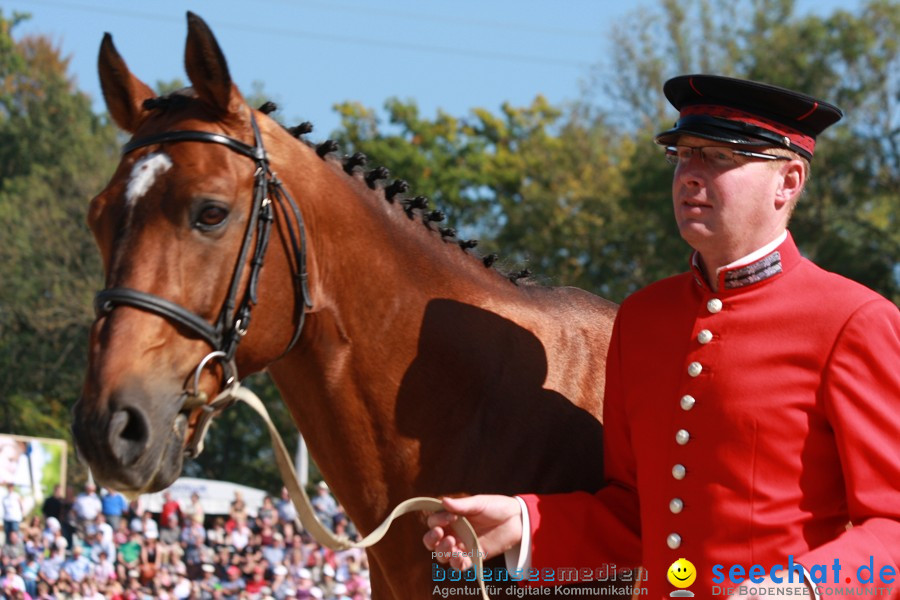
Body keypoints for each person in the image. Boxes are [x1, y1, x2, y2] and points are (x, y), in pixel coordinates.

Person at [423, 74, 900, 599]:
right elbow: (636, 511)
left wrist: (803, 589)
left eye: (720, 157)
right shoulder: (642, 317)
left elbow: (893, 526)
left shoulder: (854, 320)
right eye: (683, 154)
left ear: (788, 182)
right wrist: (522, 522)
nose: (691, 174)